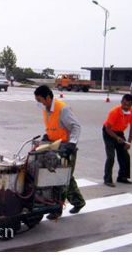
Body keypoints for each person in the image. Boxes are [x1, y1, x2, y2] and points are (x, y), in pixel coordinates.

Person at [34, 85, 86, 218]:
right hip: (54, 146)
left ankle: (56, 210)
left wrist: (72, 144)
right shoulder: (46, 109)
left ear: (48, 97)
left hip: (66, 148)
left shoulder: (62, 108)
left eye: (40, 100)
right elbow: (53, 126)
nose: (39, 104)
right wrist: (47, 136)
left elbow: (76, 126)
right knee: (66, 176)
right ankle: (78, 202)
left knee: (60, 178)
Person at [102, 94, 132, 187]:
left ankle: (122, 177)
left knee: (125, 155)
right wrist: (116, 138)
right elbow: (108, 129)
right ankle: (107, 179)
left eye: (129, 105)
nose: (126, 107)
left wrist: (129, 142)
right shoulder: (114, 112)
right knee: (111, 156)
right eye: (124, 104)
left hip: (119, 133)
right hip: (109, 133)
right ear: (121, 102)